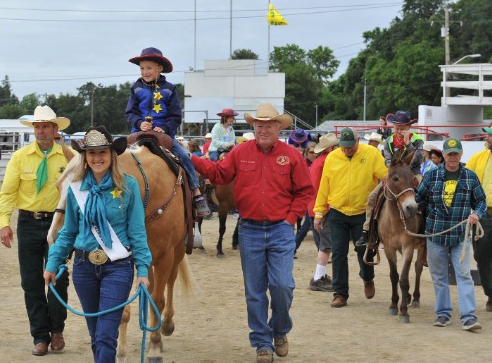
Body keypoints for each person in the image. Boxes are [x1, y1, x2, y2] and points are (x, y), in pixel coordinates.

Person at [191, 103, 314, 363]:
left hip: (281, 228)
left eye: (269, 125)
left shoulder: (292, 156)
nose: (264, 129)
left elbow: (305, 191)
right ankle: (262, 342)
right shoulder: (240, 152)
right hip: (250, 229)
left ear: (279, 127)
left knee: (283, 286)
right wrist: (186, 156)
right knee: (255, 290)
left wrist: (290, 219)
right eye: (259, 125)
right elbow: (219, 173)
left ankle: (280, 330)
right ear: (253, 127)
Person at [43, 126, 152, 363]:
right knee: (95, 334)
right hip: (83, 266)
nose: (97, 158)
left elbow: (137, 232)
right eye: (91, 153)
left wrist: (142, 271)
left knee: (105, 334)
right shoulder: (75, 189)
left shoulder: (129, 186)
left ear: (112, 155)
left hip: (118, 266)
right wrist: (52, 262)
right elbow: (68, 232)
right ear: (85, 157)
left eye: (103, 152)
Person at [0, 106, 72, 357]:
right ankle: (40, 336)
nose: (40, 131)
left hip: (59, 225)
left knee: (59, 279)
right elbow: (7, 192)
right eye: (37, 126)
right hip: (28, 223)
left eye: (45, 126)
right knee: (31, 282)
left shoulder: (67, 157)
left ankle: (57, 330)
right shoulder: (20, 157)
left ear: (55, 129)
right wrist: (4, 223)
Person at [124, 47, 210, 217]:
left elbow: (175, 116)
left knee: (184, 156)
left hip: (164, 134)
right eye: (142, 68)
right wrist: (140, 123)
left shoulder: (170, 88)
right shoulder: (135, 88)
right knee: (118, 156)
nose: (145, 71)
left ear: (159, 68)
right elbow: (130, 113)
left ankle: (196, 193)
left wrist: (165, 128)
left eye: (149, 68)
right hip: (138, 133)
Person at [416, 138, 486, 331]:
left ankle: (469, 317)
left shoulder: (471, 177)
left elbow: (480, 201)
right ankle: (443, 314)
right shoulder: (431, 176)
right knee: (438, 276)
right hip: (436, 234)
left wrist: (477, 214)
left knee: (463, 275)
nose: (452, 157)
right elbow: (418, 199)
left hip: (461, 236)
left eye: (456, 153)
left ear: (461, 154)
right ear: (443, 155)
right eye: (449, 153)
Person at [313, 127, 387, 308]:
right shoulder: (332, 157)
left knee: (364, 249)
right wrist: (319, 212)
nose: (346, 150)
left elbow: (385, 177)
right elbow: (324, 186)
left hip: (363, 213)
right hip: (338, 211)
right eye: (343, 147)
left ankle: (368, 277)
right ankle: (340, 293)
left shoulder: (372, 154)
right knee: (338, 253)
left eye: (350, 147)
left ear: (358, 141)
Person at [356, 110, 424, 248]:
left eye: (402, 128)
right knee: (373, 197)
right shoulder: (389, 141)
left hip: (412, 174)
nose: (399, 131)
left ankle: (427, 232)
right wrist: (394, 172)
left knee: (427, 196)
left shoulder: (417, 140)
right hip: (394, 176)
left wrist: (408, 144)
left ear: (408, 128)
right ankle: (368, 230)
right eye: (396, 128)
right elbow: (387, 161)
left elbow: (419, 160)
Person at [464, 125, 492, 313]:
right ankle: (491, 292)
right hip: (483, 216)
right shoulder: (478, 158)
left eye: (490, 135)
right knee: (481, 256)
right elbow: (464, 179)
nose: (487, 138)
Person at [308, 133, 340, 292]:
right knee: (326, 245)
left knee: (324, 243)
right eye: (334, 145)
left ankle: (320, 276)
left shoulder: (318, 161)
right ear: (330, 148)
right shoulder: (327, 161)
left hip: (314, 206)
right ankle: (318, 278)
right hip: (322, 208)